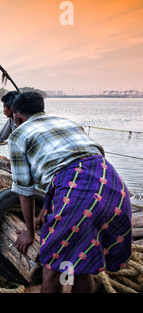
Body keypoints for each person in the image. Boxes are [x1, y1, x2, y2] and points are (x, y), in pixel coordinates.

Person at [8, 91, 132, 293]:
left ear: (17, 116)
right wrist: (45, 213)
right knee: (81, 264)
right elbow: (95, 157)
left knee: (53, 270)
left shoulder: (18, 135)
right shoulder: (68, 122)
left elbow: (24, 190)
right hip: (113, 186)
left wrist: (30, 233)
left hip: (76, 195)